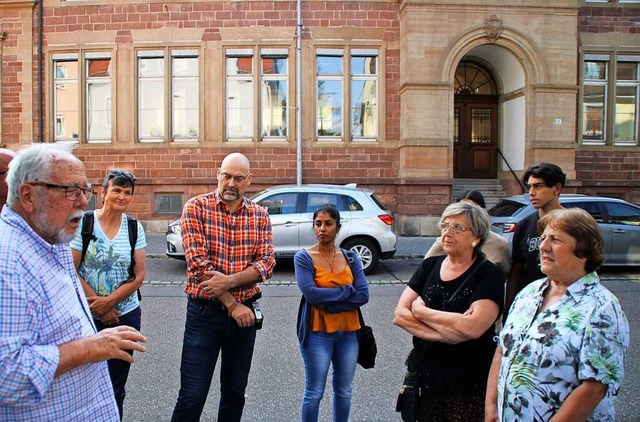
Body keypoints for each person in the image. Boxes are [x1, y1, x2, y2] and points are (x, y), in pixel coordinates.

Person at [0, 143, 146, 420]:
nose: (82, 202)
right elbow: (6, 375)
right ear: (28, 195)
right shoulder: (7, 260)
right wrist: (91, 346)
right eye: (71, 190)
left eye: (85, 191)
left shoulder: (51, 238)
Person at [485, 208, 629, 421]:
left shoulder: (602, 308)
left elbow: (594, 388)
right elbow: (502, 350)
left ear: (583, 251)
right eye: (543, 238)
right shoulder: (530, 292)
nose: (543, 246)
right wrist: (491, 407)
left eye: (555, 240)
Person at [171, 152, 275, 422]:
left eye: (238, 178)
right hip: (204, 315)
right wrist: (232, 303)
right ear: (218, 174)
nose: (231, 183)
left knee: (234, 394)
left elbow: (266, 264)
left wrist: (229, 282)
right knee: (192, 395)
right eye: (226, 176)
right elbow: (198, 265)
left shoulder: (260, 215)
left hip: (245, 317)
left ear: (248, 181)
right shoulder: (196, 207)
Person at [393, 202, 504, 421]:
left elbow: (473, 328)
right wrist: (451, 334)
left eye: (458, 228)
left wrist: (423, 313)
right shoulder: (430, 266)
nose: (448, 233)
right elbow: (400, 315)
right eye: (445, 226)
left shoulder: (490, 275)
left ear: (477, 237)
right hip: (425, 376)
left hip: (468, 381)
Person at [70, 169, 146, 420]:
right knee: (83, 381)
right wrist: (100, 306)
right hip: (88, 314)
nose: (122, 196)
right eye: (116, 190)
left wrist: (110, 303)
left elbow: (138, 276)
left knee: (116, 384)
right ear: (103, 192)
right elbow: (72, 269)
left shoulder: (135, 227)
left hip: (126, 314)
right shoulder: (84, 222)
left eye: (127, 192)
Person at [294, 204, 370, 422]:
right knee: (314, 392)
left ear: (338, 227)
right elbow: (311, 294)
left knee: (344, 390)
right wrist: (347, 291)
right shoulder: (304, 257)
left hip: (349, 333)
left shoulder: (351, 258)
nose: (322, 229)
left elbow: (363, 295)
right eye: (318, 224)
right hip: (317, 333)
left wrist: (330, 302)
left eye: (328, 224)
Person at [504, 163, 565, 318]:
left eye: (538, 186)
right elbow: (516, 271)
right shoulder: (524, 225)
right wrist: (509, 310)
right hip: (530, 303)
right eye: (529, 187)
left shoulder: (572, 224)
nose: (531, 193)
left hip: (563, 304)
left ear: (556, 188)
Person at [426, 190, 510, 274]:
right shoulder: (445, 241)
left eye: (472, 210)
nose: (466, 214)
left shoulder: (499, 244)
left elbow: (505, 273)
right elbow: (425, 268)